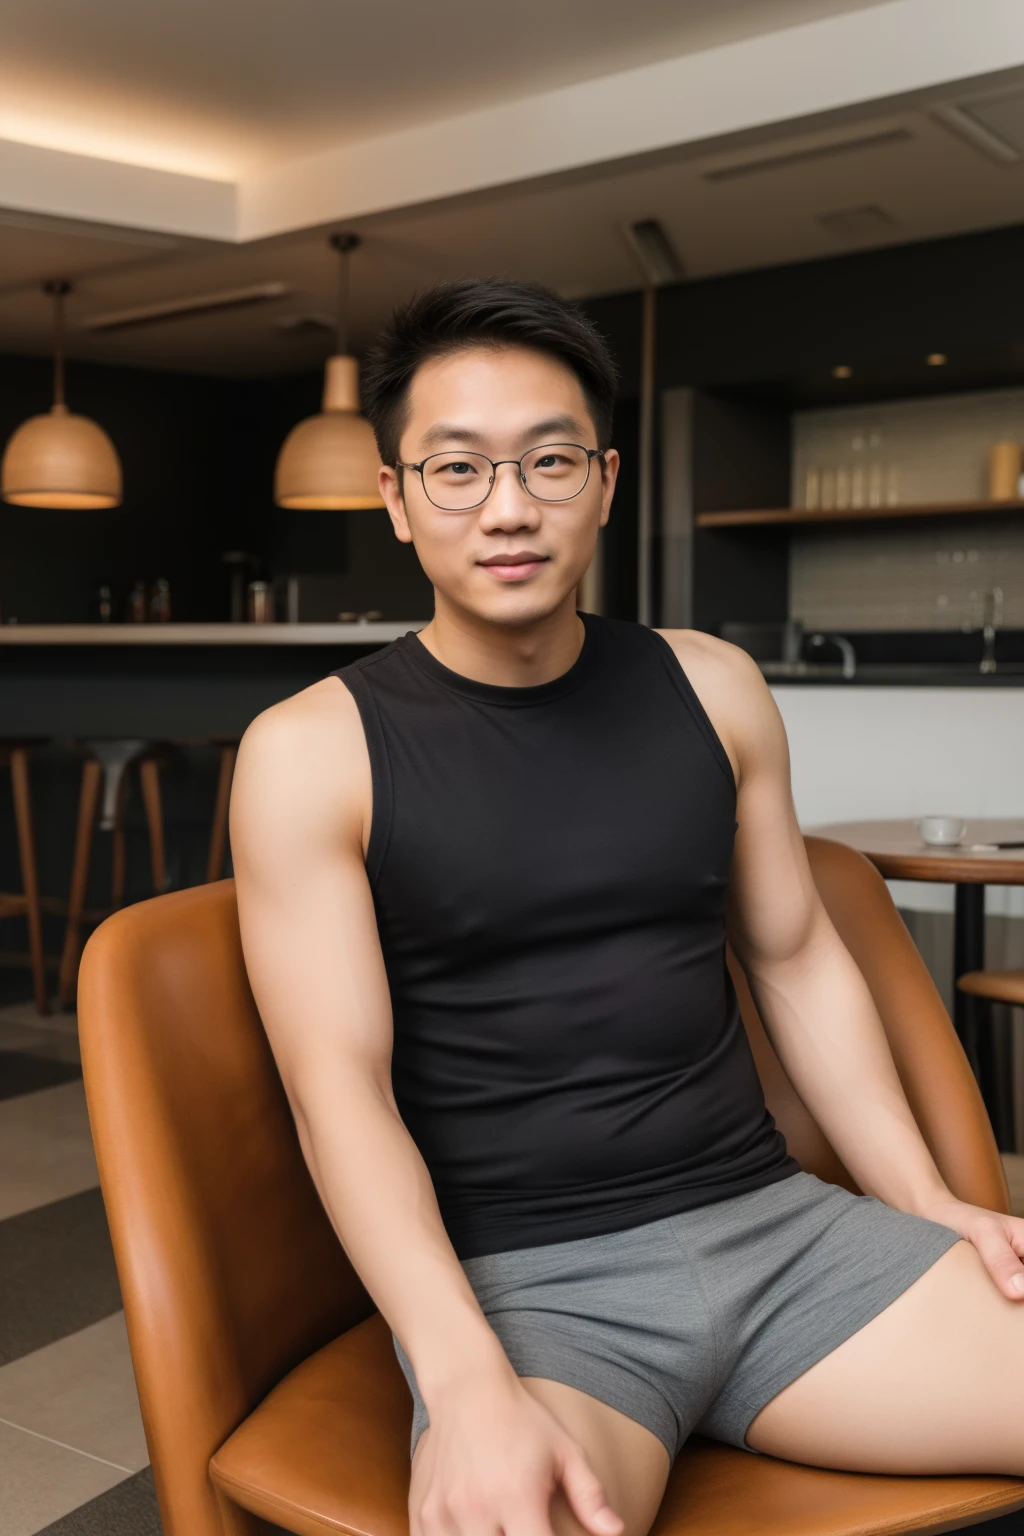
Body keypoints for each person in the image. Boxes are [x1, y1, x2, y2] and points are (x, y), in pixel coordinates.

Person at [230, 279, 1024, 1536]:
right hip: (530, 1293)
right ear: (394, 497)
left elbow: (794, 955)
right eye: (457, 470)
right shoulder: (309, 752)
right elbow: (342, 1095)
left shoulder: (712, 685)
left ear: (603, 480)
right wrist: (461, 1374)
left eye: (549, 462)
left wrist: (921, 1200)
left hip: (788, 1242)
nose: (509, 508)